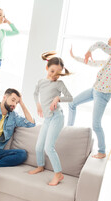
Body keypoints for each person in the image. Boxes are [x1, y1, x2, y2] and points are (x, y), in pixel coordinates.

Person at [68, 34, 111, 159]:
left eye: (109, 42)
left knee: (96, 124)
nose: (107, 44)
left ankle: (102, 151)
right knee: (72, 103)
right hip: (95, 90)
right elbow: (92, 63)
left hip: (102, 94)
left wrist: (89, 51)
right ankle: (68, 130)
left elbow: (100, 45)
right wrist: (75, 57)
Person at [28, 52, 73, 186]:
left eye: (58, 73)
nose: (54, 75)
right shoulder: (41, 82)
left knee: (49, 147)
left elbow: (70, 97)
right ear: (47, 68)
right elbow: (35, 93)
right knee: (38, 147)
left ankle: (58, 174)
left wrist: (58, 98)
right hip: (47, 119)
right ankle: (40, 166)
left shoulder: (59, 84)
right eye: (52, 71)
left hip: (56, 117)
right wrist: (38, 104)